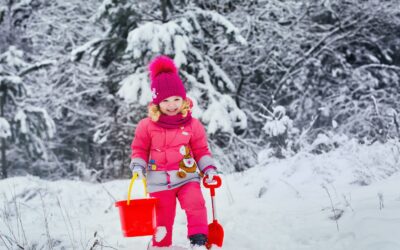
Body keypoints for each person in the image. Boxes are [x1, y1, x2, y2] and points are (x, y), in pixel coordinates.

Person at [129, 55, 219, 249]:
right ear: (157, 103)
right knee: (162, 220)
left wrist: (209, 169)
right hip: (158, 182)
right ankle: (161, 246)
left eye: (177, 99)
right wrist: (138, 165)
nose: (172, 105)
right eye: (166, 100)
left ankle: (198, 240)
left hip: (186, 177)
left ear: (184, 99)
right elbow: (139, 149)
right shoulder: (146, 126)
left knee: (196, 202)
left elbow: (201, 149)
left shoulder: (192, 125)